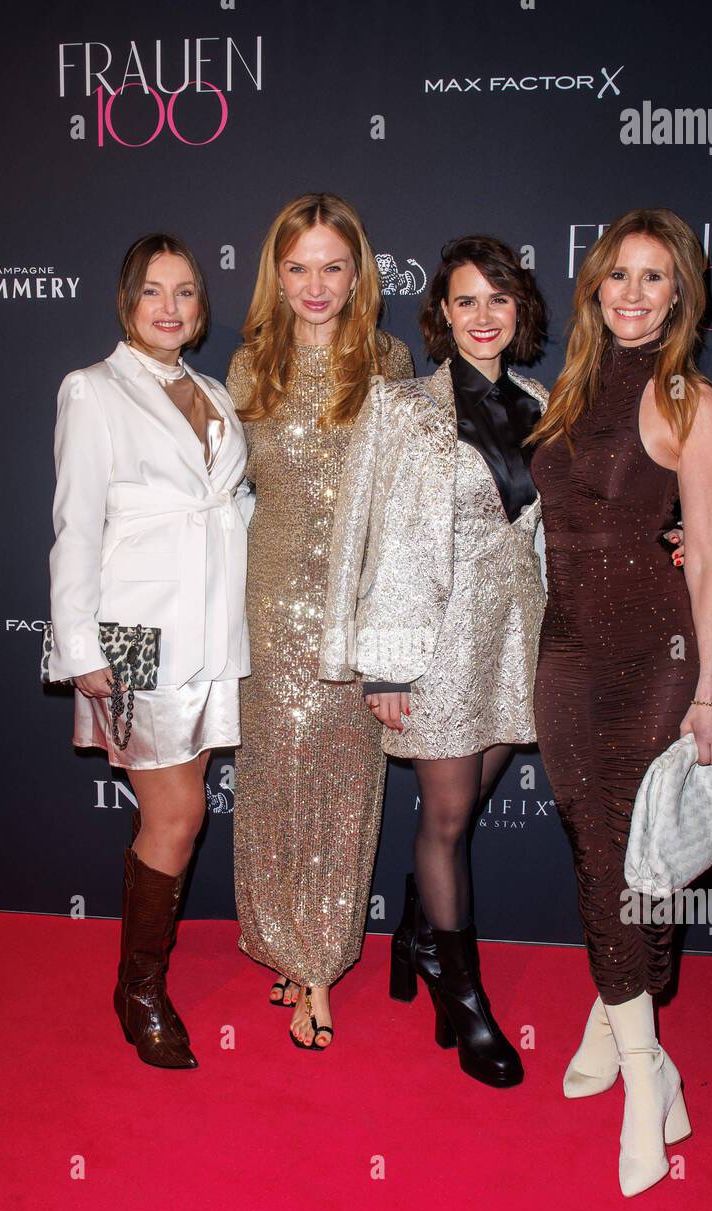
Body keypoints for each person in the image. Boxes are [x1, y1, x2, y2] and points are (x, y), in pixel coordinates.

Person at [528, 208, 712, 1194]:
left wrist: (710, 690)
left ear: (679, 296)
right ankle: (608, 1021)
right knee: (600, 848)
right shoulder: (566, 388)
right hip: (562, 652)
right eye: (618, 274)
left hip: (652, 658)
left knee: (620, 856)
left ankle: (646, 1079)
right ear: (593, 285)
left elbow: (708, 567)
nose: (633, 293)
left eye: (654, 278)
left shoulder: (689, 399)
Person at [320, 235, 548, 1087]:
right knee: (447, 820)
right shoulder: (400, 406)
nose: (483, 315)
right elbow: (359, 537)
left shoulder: (542, 399)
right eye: (465, 301)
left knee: (472, 799)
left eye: (498, 299)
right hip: (433, 640)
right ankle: (466, 997)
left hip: (515, 638)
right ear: (441, 316)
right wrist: (377, 665)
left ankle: (417, 937)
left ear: (518, 311)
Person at [48, 233, 253, 1070]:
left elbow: (231, 507)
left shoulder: (212, 390)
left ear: (201, 308)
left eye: (186, 293)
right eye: (153, 292)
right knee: (179, 813)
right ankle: (139, 988)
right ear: (127, 301)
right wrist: (77, 644)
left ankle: (140, 976)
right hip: (133, 636)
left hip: (213, 634)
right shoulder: (93, 391)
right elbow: (75, 524)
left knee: (179, 808)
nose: (170, 307)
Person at [226, 193, 413, 1050]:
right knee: (271, 778)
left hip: (353, 606)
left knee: (343, 785)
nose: (315, 283)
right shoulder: (245, 368)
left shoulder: (388, 362)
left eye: (332, 266)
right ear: (276, 273)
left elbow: (410, 503)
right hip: (267, 600)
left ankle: (319, 963)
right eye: (297, 266)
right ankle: (280, 942)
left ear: (357, 273)